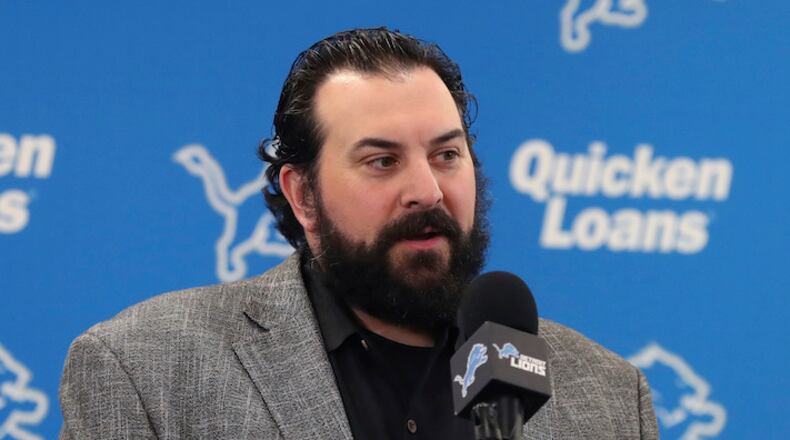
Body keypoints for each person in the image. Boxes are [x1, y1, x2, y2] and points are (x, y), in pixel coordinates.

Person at [59, 28, 658, 439]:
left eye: (447, 154)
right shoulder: (144, 369)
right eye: (382, 161)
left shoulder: (607, 395)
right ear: (302, 195)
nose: (427, 189)